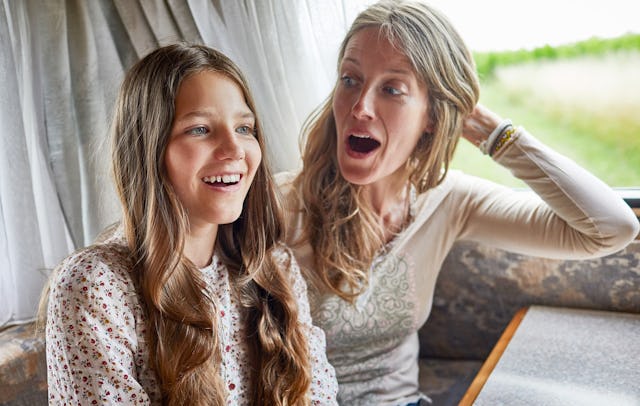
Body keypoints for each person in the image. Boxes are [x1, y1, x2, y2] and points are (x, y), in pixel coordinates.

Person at [276, 1, 640, 405]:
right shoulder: (279, 205)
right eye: (349, 79)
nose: (360, 107)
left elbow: (611, 229)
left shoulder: (450, 200)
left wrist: (492, 132)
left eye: (392, 89)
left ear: (432, 115)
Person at [43, 43, 338, 405]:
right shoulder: (97, 286)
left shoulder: (276, 270)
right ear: (149, 150)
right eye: (200, 129)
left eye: (245, 128)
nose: (234, 149)